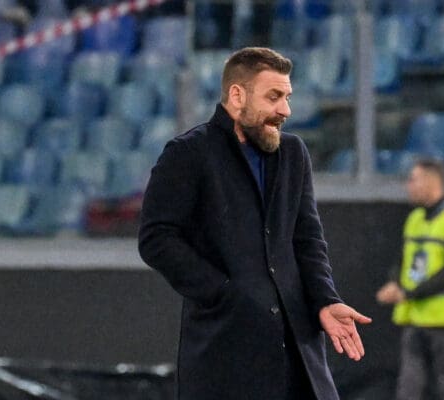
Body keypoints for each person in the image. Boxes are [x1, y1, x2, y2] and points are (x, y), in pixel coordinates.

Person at [138, 47, 371, 400]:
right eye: (273, 97)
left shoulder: (294, 154)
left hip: (298, 355)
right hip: (226, 357)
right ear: (237, 96)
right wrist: (224, 293)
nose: (285, 110)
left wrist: (325, 299)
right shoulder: (187, 154)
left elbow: (307, 240)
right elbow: (156, 238)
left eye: (287, 97)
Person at [375, 158, 444, 400]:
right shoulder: (415, 219)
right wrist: (395, 282)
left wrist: (410, 292)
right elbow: (404, 260)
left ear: (432, 182)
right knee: (409, 386)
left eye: (413, 179)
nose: (408, 186)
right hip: (416, 316)